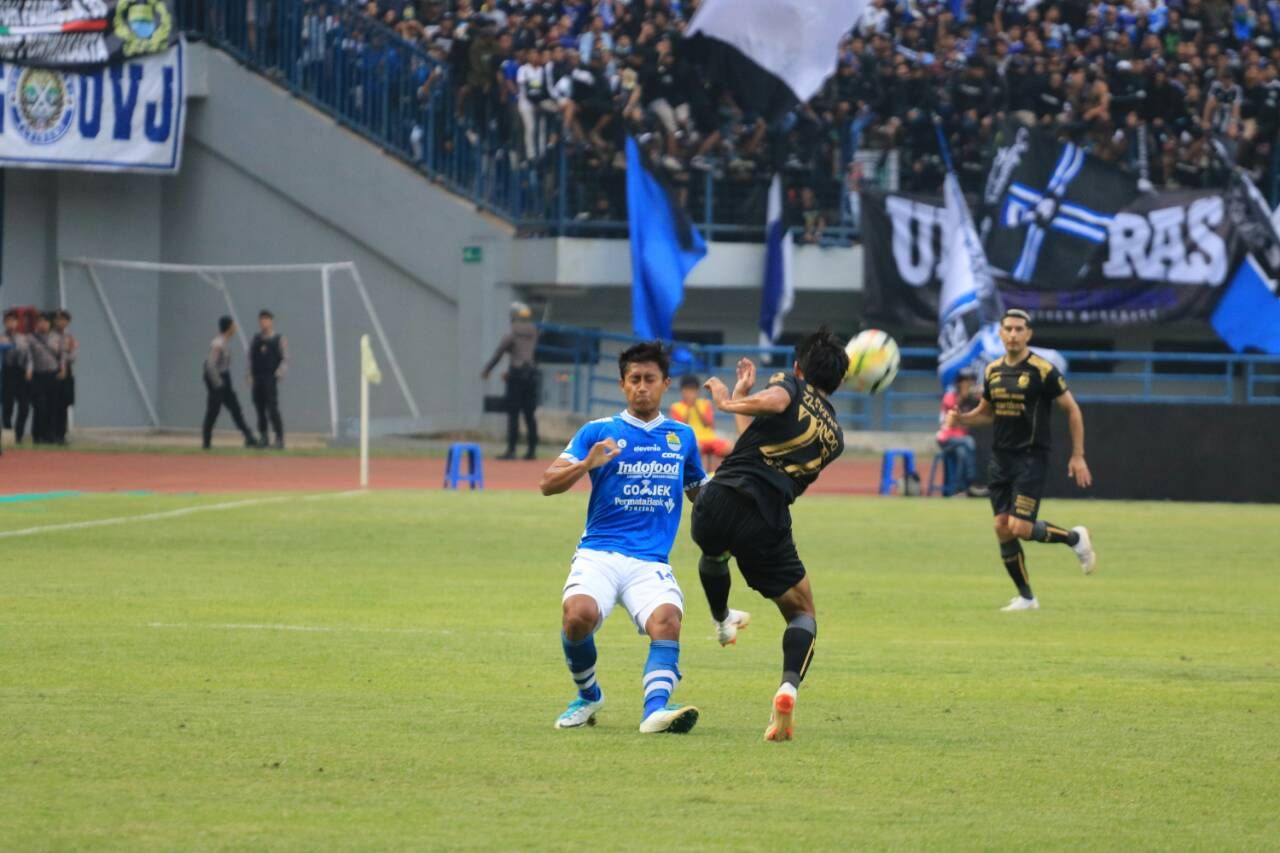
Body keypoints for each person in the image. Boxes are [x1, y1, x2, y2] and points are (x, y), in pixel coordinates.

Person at [539, 341, 709, 734]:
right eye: (634, 379)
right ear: (622, 384)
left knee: (667, 620)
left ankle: (655, 711)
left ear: (665, 383)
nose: (642, 387)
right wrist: (586, 464)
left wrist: (730, 499)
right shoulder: (598, 432)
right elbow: (548, 484)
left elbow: (700, 494)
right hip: (599, 552)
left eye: (650, 379)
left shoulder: (681, 437)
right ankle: (589, 694)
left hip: (650, 561)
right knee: (577, 616)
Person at [690, 329, 850, 742]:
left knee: (714, 550)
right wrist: (742, 400)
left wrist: (729, 400)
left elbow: (776, 404)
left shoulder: (788, 384)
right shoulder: (836, 438)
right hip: (766, 520)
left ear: (798, 367)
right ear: (840, 382)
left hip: (718, 501)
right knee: (802, 613)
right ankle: (787, 687)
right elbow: (763, 440)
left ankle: (722, 619)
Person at [945, 309, 1098, 612]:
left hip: (1031, 458)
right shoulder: (992, 371)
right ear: (1000, 334)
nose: (1013, 334)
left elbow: (1073, 409)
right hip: (1000, 459)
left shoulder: (1043, 371)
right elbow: (986, 413)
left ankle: (1074, 538)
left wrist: (1078, 455)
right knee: (1002, 526)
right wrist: (961, 418)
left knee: (1020, 527)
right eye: (1008, 329)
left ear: (1028, 334)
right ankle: (1027, 597)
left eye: (1019, 329)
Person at [482, 301, 540, 460]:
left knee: (513, 413)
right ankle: (532, 450)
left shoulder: (512, 333)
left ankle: (512, 449)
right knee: (529, 414)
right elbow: (526, 352)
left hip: (517, 375)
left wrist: (487, 370)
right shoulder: (533, 331)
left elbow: (499, 353)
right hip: (532, 375)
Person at [202, 316, 258, 450]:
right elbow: (210, 365)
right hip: (217, 379)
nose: (235, 328)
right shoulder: (218, 343)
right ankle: (206, 442)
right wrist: (218, 383)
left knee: (235, 408)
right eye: (233, 325)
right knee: (213, 411)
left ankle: (249, 437)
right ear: (229, 327)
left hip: (225, 378)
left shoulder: (224, 342)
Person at [668, 375, 733, 471]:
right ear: (682, 391)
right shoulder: (676, 407)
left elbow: (709, 424)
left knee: (730, 447)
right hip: (694, 439)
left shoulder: (705, 403)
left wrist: (696, 407)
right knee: (696, 449)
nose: (691, 393)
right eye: (688, 390)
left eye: (693, 390)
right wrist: (689, 407)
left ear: (698, 391)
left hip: (710, 437)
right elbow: (681, 428)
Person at [935, 369, 981, 496]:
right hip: (945, 438)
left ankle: (959, 490)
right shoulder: (950, 396)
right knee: (969, 441)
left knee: (962, 452)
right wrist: (962, 398)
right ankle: (972, 482)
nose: (969, 385)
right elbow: (953, 418)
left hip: (961, 441)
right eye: (966, 382)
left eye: (971, 382)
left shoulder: (973, 399)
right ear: (959, 383)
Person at [249, 309, 289, 449]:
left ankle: (279, 438)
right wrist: (250, 374)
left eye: (266, 320)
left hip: (270, 377)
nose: (264, 323)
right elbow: (251, 358)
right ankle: (264, 437)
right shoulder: (256, 339)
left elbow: (285, 359)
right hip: (258, 377)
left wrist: (279, 374)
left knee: (272, 408)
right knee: (259, 408)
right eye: (262, 320)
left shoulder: (279, 338)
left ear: (271, 321)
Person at [26, 312, 63, 445]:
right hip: (38, 375)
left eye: (45, 322)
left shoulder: (56, 337)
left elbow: (61, 355)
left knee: (53, 406)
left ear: (50, 323)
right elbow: (29, 357)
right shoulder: (31, 338)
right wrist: (29, 370)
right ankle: (37, 436)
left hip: (52, 374)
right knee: (39, 406)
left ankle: (50, 436)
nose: (43, 324)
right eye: (40, 321)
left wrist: (62, 369)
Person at [2, 309, 31, 445]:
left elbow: (29, 356)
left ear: (17, 322)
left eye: (13, 321)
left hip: (21, 373)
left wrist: (29, 369)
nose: (11, 324)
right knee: (8, 405)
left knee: (24, 405)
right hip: (7, 373)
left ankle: (19, 434)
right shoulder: (2, 337)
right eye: (8, 321)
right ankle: (8, 434)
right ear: (4, 323)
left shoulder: (23, 338)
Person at [52, 310, 78, 445]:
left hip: (67, 372)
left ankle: (61, 435)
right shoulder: (50, 336)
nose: (60, 322)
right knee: (51, 404)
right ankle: (50, 434)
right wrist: (64, 352)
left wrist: (66, 354)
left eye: (63, 320)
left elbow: (73, 356)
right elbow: (53, 352)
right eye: (58, 319)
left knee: (64, 405)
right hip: (52, 372)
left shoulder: (70, 338)